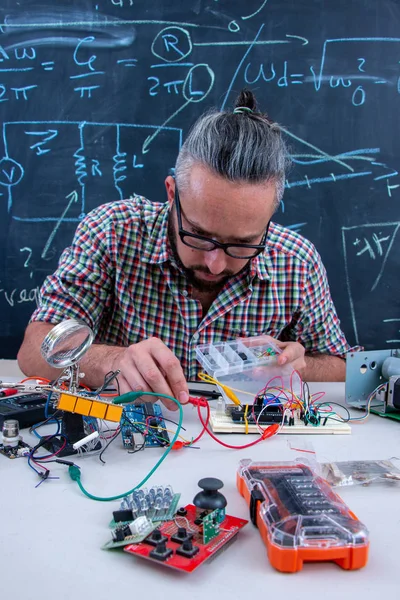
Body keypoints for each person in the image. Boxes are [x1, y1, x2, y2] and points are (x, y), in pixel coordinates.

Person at [17, 89, 355, 411]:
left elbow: (339, 365)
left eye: (242, 243)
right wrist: (112, 361)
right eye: (198, 234)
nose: (216, 263)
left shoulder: (296, 261)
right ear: (171, 193)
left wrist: (298, 365)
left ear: (269, 218)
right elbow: (34, 352)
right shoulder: (112, 232)